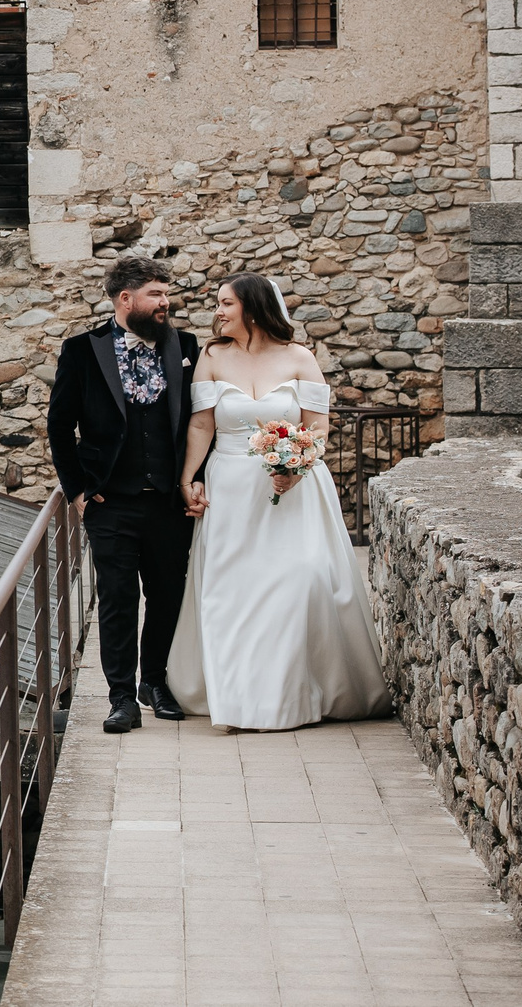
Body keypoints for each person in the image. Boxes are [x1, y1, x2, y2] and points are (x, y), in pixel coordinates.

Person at [165, 274, 388, 729]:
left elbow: (319, 428)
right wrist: (188, 478)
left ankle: (289, 696)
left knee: (298, 580)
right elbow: (201, 426)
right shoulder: (211, 356)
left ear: (252, 307)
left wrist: (294, 466)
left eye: (226, 304)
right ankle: (239, 700)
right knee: (233, 593)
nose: (218, 313)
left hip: (295, 490)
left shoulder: (300, 357)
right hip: (230, 488)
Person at [37, 256, 200, 734]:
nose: (165, 302)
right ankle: (122, 698)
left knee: (168, 594)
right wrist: (78, 491)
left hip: (170, 501)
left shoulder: (186, 346)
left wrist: (197, 477)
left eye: (166, 294)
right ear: (125, 299)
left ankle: (155, 683)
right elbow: (59, 425)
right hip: (110, 502)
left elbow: (200, 422)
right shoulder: (82, 350)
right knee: (117, 597)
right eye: (156, 294)